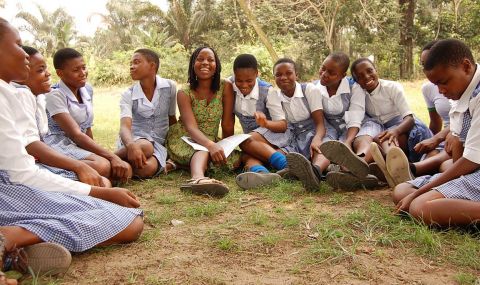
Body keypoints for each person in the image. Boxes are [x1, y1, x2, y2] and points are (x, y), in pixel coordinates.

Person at [0, 17, 143, 275]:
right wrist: (99, 192)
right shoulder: (8, 96)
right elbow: (23, 171)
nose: (25, 54)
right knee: (128, 219)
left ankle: (19, 250)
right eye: (18, 45)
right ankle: (12, 237)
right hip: (12, 190)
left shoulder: (9, 93)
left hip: (16, 186)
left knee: (126, 216)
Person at [393, 39, 480, 227]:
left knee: (420, 207)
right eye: (436, 85)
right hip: (472, 171)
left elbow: (471, 160)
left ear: (465, 66)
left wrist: (420, 193)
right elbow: (459, 153)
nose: (441, 91)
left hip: (475, 170)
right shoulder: (463, 91)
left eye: (443, 82)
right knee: (401, 191)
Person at [12, 46, 106, 187]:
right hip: (39, 157)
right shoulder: (26, 95)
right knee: (103, 174)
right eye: (40, 70)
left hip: (43, 155)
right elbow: (34, 146)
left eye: (83, 67)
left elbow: (86, 128)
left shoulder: (37, 98)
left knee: (104, 173)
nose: (48, 74)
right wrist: (79, 166)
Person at [44, 48, 131, 182]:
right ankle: (50, 178)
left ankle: (95, 178)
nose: (83, 73)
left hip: (78, 144)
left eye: (84, 67)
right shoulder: (54, 95)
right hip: (59, 144)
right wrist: (112, 157)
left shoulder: (87, 89)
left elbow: (87, 128)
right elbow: (76, 134)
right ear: (60, 73)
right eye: (76, 70)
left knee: (125, 170)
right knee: (103, 165)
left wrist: (100, 154)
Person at [166, 46, 238, 197]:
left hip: (210, 139)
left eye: (210, 60)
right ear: (193, 64)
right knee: (202, 151)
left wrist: (226, 147)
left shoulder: (225, 87)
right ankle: (198, 179)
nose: (205, 63)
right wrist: (211, 145)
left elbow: (227, 123)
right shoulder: (184, 92)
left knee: (235, 160)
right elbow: (191, 128)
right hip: (185, 137)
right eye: (200, 59)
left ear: (217, 65)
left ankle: (179, 165)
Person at [349, 58, 432, 187]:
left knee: (384, 139)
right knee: (364, 136)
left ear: (376, 70)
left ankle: (397, 170)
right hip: (375, 123)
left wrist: (395, 131)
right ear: (356, 81)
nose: (366, 77)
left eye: (370, 71)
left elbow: (409, 118)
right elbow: (356, 113)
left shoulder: (392, 87)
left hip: (399, 123)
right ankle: (356, 166)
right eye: (360, 76)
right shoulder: (359, 91)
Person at [307, 52, 382, 190]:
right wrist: (318, 138)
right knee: (325, 145)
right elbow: (319, 119)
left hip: (358, 124)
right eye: (323, 68)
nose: (324, 74)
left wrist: (348, 141)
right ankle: (315, 172)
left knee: (363, 139)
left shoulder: (354, 87)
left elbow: (355, 118)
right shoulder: (314, 88)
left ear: (343, 75)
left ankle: (355, 166)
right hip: (331, 127)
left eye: (331, 72)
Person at [264, 58, 325, 192]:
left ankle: (315, 173)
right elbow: (281, 124)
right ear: (274, 77)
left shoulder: (309, 89)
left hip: (313, 129)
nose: (283, 77)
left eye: (288, 73)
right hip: (292, 134)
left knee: (320, 148)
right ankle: (291, 172)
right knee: (277, 153)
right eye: (278, 75)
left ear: (296, 75)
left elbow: (320, 123)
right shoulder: (274, 95)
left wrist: (317, 139)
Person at [115, 49, 177, 178]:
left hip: (158, 143)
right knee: (145, 146)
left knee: (146, 170)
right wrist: (131, 145)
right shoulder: (128, 94)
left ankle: (123, 165)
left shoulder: (170, 87)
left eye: (136, 62)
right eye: (130, 63)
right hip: (134, 140)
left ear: (152, 65)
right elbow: (125, 127)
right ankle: (109, 157)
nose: (132, 67)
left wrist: (174, 146)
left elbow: (171, 118)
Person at [229, 54, 286, 190]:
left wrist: (265, 123)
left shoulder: (267, 91)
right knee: (245, 155)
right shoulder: (229, 86)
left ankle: (287, 165)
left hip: (272, 134)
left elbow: (283, 125)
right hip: (252, 142)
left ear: (257, 74)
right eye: (239, 80)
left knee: (244, 140)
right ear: (234, 75)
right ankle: (261, 174)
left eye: (249, 80)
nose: (244, 85)